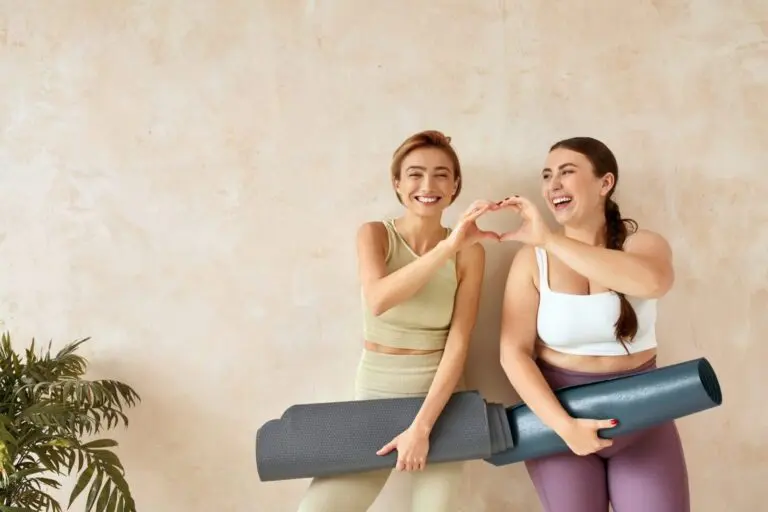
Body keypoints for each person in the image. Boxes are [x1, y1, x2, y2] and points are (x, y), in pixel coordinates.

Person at [296, 130, 499, 512]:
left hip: (442, 403)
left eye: (441, 174)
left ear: (455, 185)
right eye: (415, 174)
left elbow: (459, 342)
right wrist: (448, 247)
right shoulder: (375, 234)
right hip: (377, 391)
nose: (428, 185)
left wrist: (422, 428)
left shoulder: (472, 254)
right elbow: (379, 299)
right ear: (397, 183)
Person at [497, 136, 690, 512]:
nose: (553, 184)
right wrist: (564, 427)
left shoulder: (641, 243)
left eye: (567, 173)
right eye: (547, 175)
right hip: (558, 424)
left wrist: (550, 240)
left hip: (644, 417)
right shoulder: (530, 261)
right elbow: (513, 353)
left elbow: (653, 283)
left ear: (605, 183)